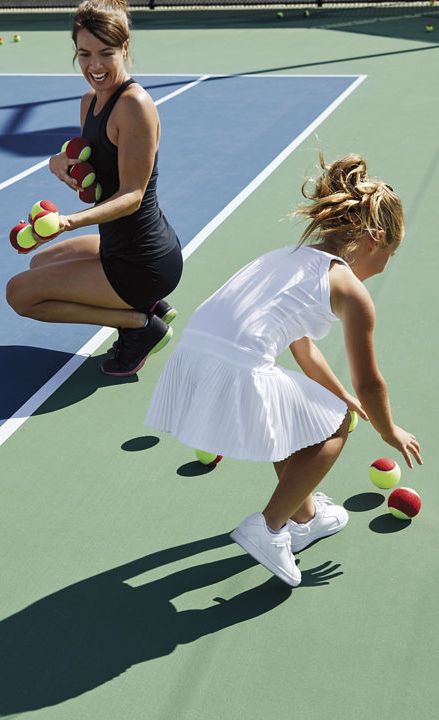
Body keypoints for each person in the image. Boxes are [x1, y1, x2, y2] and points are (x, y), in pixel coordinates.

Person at [145, 153, 422, 587]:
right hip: (236, 366)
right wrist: (389, 430)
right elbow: (370, 382)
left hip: (194, 353)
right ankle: (270, 526)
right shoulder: (348, 288)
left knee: (295, 412)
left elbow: (302, 348)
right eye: (390, 253)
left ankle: (305, 516)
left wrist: (339, 394)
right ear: (375, 238)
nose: (385, 265)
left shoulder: (289, 257)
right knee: (334, 426)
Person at [6, 0, 183, 377]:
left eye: (106, 53)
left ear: (125, 49)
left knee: (19, 294)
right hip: (117, 244)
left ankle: (139, 324)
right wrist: (60, 164)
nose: (95, 66)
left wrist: (69, 222)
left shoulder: (135, 105)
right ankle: (150, 307)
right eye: (85, 54)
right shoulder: (89, 102)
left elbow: (132, 195)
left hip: (144, 262)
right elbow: (98, 171)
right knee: (40, 262)